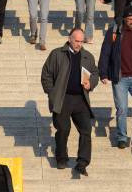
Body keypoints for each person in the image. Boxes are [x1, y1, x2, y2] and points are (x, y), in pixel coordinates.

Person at [41, 28, 99, 176]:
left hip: (80, 99)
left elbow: (95, 73)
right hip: (63, 99)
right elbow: (46, 74)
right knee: (63, 129)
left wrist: (90, 83)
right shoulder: (57, 54)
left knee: (86, 129)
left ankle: (82, 162)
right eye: (76, 41)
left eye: (81, 41)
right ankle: (61, 157)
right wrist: (52, 93)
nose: (79, 44)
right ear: (69, 39)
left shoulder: (87, 56)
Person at [98, 6, 132, 150]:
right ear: (124, 19)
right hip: (120, 78)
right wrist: (103, 73)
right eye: (129, 19)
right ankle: (122, 137)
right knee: (122, 108)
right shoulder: (114, 32)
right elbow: (105, 53)